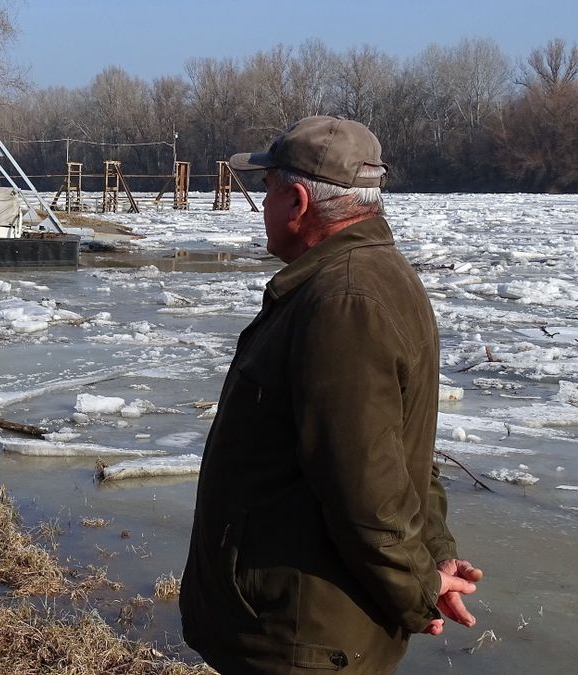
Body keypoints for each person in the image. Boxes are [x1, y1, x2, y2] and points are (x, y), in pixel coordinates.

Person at [179, 116, 483, 673]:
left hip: (302, 636)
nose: (261, 205)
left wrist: (419, 585)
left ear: (297, 201)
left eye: (266, 190)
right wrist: (433, 556)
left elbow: (365, 488)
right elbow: (403, 453)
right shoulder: (367, 279)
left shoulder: (344, 302)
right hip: (306, 625)